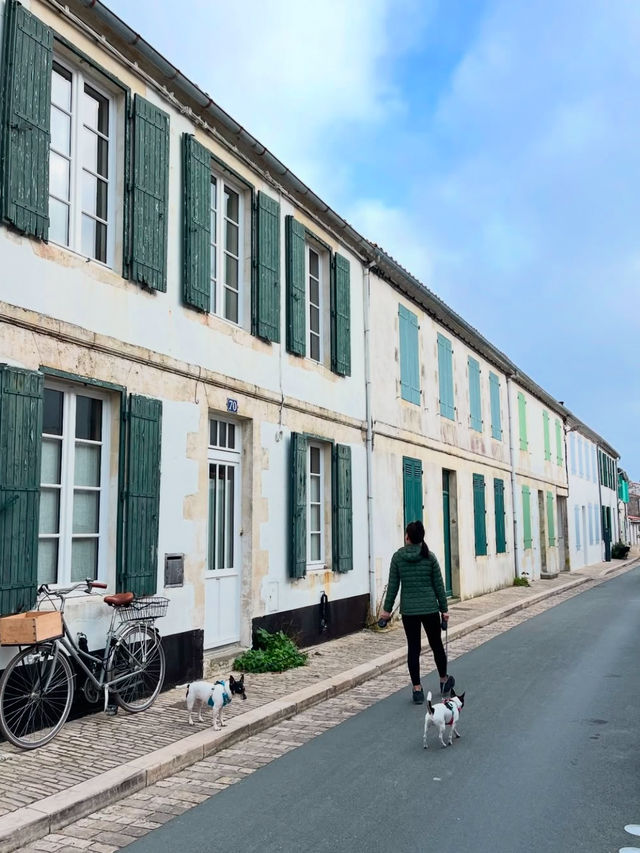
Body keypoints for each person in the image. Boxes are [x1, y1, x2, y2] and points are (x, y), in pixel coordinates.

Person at [379, 520, 454, 704]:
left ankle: (417, 689)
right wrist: (444, 610)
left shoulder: (398, 557)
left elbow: (393, 588)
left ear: (407, 537)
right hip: (429, 609)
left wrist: (386, 613)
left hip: (410, 612)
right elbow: (439, 586)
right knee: (437, 645)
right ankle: (444, 680)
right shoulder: (430, 557)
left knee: (414, 648)